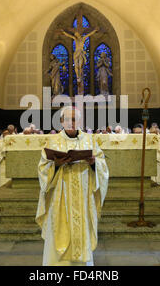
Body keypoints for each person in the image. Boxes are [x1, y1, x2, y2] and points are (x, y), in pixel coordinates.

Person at [36, 107, 109, 266]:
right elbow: (42, 168)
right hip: (60, 197)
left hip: (82, 197)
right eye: (67, 119)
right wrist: (55, 165)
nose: (71, 122)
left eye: (74, 119)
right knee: (59, 229)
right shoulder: (52, 141)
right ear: (61, 121)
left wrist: (94, 164)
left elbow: (102, 166)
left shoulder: (90, 140)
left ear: (80, 121)